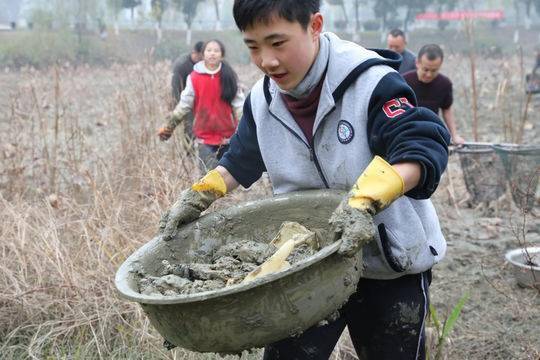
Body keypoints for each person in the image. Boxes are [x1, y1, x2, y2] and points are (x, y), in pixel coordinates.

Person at [158, 1, 450, 359]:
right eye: (253, 46)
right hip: (307, 268)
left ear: (314, 26)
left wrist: (364, 200)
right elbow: (238, 160)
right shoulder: (262, 102)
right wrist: (199, 195)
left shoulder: (370, 82)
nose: (267, 60)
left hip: (388, 262)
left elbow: (420, 147)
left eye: (278, 43)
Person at [158, 40, 244, 171]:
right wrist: (170, 126)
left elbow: (239, 106)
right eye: (209, 50)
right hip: (204, 138)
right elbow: (184, 105)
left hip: (227, 138)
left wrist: (243, 132)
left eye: (216, 51)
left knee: (225, 178)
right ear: (203, 54)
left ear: (222, 55)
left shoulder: (229, 77)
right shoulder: (194, 77)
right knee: (207, 178)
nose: (212, 54)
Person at [403, 44, 465, 145]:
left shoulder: (445, 84)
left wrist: (454, 135)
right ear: (417, 63)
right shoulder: (404, 81)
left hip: (431, 133)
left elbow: (446, 109)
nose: (429, 75)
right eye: (426, 69)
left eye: (434, 70)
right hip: (407, 132)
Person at [170, 41, 204, 139]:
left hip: (201, 101)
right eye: (202, 56)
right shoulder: (182, 65)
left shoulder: (202, 64)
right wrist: (176, 106)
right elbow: (175, 87)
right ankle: (189, 153)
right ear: (196, 53)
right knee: (190, 128)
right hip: (186, 100)